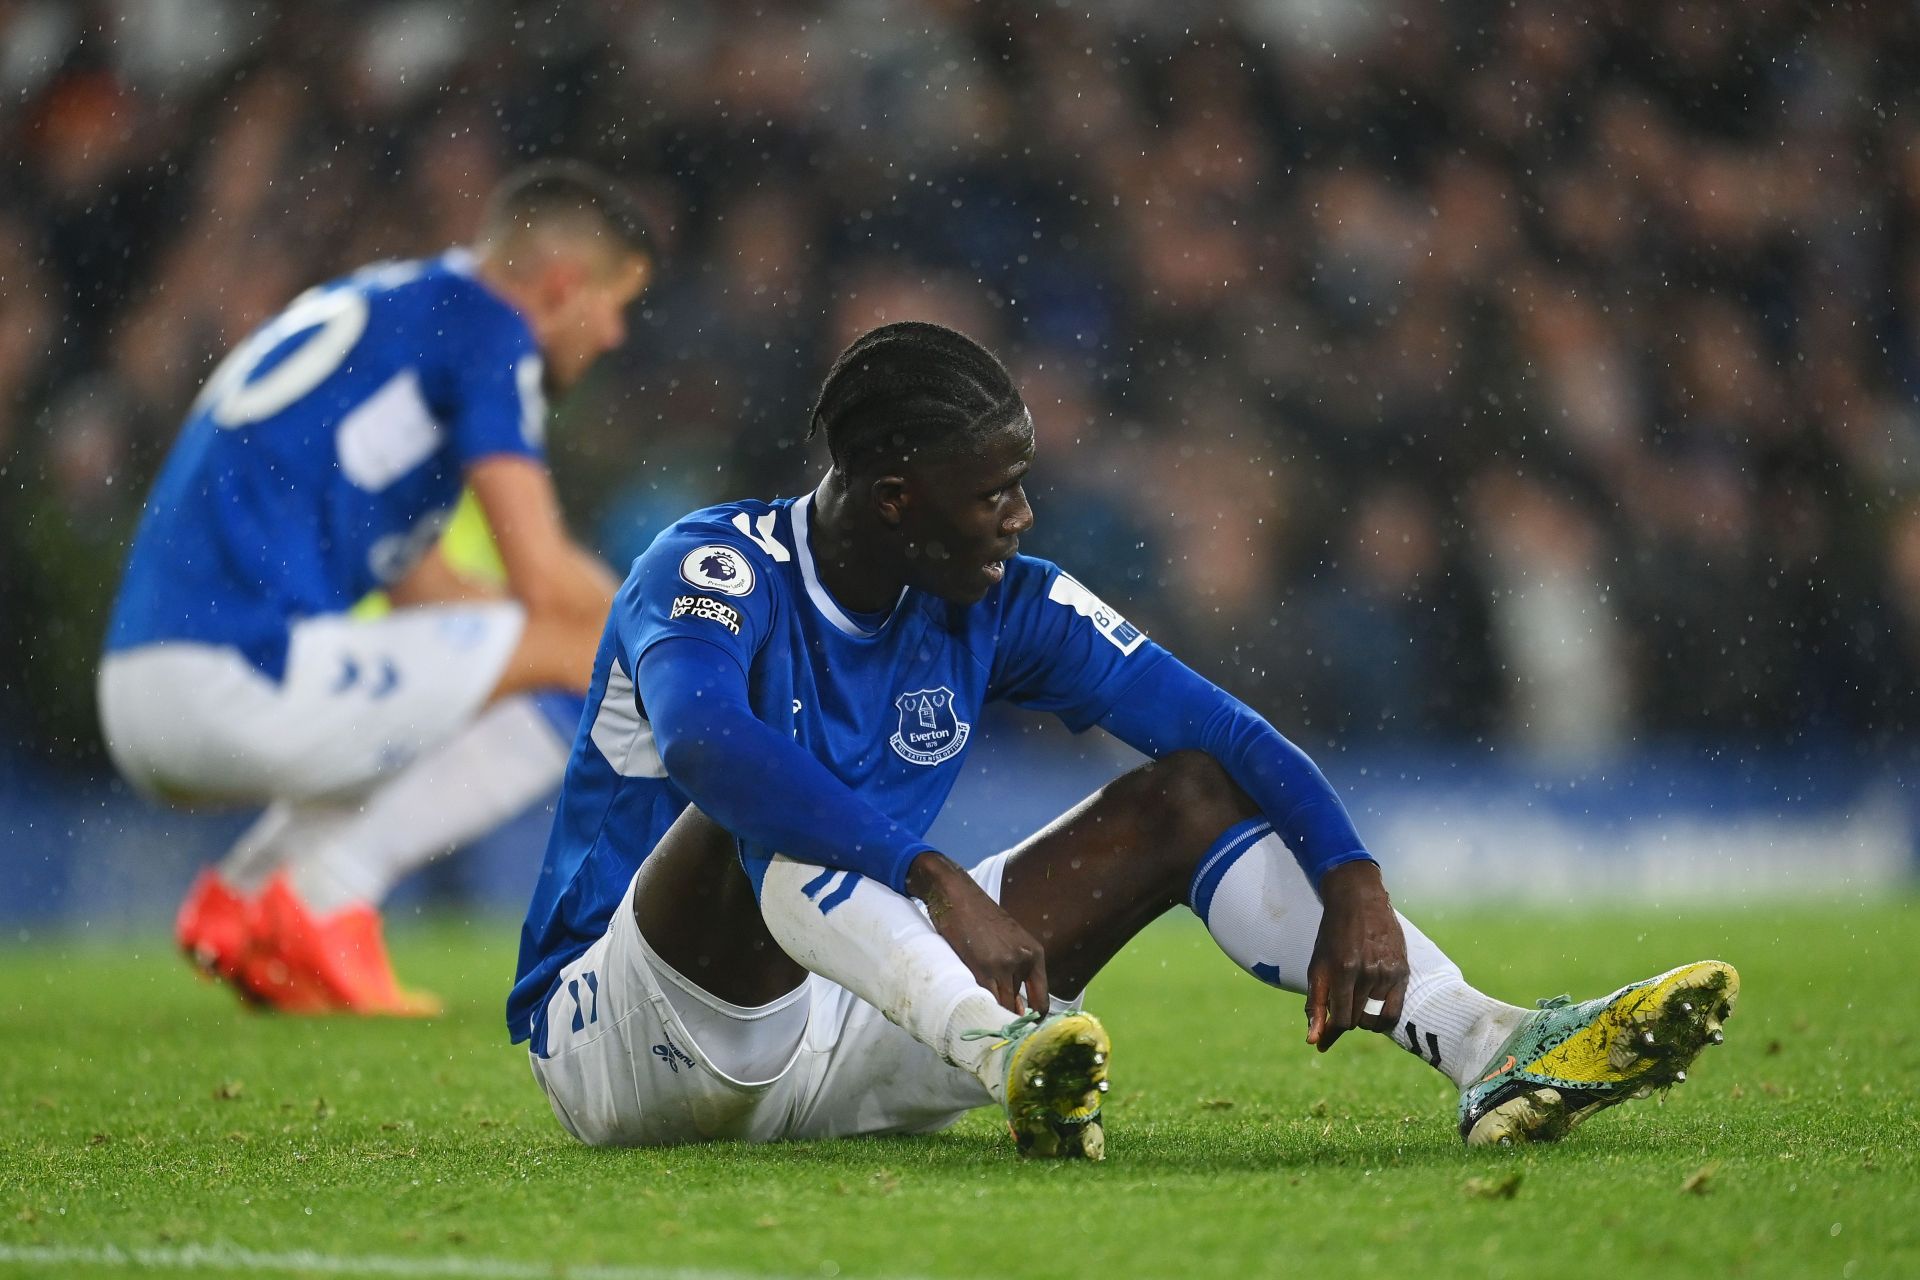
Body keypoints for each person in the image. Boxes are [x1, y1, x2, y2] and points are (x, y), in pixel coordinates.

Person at [508, 322, 1738, 1155]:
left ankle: (1488, 1043)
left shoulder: (1004, 599)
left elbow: (1219, 728)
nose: (1021, 512)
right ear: (895, 496)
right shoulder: (713, 569)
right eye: (992, 489)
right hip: (629, 1035)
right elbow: (711, 744)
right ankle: (1011, 1050)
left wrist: (1352, 873)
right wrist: (933, 875)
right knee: (762, 816)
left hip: (854, 1027)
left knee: (1190, 794)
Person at [100, 160, 654, 1016]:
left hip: (147, 685)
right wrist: (687, 639)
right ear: (560, 284)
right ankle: (327, 895)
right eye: (617, 304)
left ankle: (250, 897)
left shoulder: (395, 315)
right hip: (233, 674)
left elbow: (425, 595)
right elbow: (544, 584)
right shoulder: (489, 331)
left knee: (528, 660)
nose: (617, 335)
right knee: (595, 654)